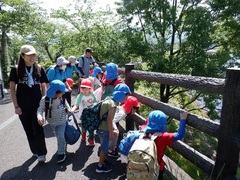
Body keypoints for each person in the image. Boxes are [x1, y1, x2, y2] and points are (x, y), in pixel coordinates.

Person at [9, 44, 48, 162]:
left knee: (39, 128)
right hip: (23, 106)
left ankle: (42, 153)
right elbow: (11, 89)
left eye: (34, 55)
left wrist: (43, 103)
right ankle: (35, 150)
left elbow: (43, 86)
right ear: (22, 56)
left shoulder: (39, 68)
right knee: (29, 130)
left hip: (37, 105)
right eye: (29, 55)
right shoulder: (15, 70)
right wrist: (16, 106)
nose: (32, 58)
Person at [141, 110, 189, 180]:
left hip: (141, 164)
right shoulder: (163, 137)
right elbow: (180, 134)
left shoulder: (142, 131)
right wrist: (183, 118)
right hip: (156, 168)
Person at [37, 80, 72, 164]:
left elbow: (66, 104)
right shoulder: (45, 99)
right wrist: (39, 117)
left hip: (62, 121)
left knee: (60, 136)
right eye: (62, 92)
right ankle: (62, 144)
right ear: (56, 92)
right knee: (58, 136)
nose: (63, 94)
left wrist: (69, 109)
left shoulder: (62, 97)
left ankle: (61, 153)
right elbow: (40, 110)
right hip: (52, 122)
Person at [96, 87, 129, 173]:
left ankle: (103, 160)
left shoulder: (109, 99)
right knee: (105, 148)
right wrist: (111, 132)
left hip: (100, 127)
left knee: (105, 146)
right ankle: (100, 166)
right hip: (105, 129)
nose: (127, 98)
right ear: (122, 94)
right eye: (126, 96)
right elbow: (109, 120)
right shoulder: (112, 105)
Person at [71, 79, 97, 146]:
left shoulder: (92, 95)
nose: (84, 90)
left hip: (91, 115)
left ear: (89, 88)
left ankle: (91, 140)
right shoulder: (80, 95)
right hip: (83, 115)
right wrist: (72, 110)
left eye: (86, 88)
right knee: (83, 126)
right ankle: (83, 136)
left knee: (91, 128)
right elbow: (76, 104)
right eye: (82, 88)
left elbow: (95, 104)